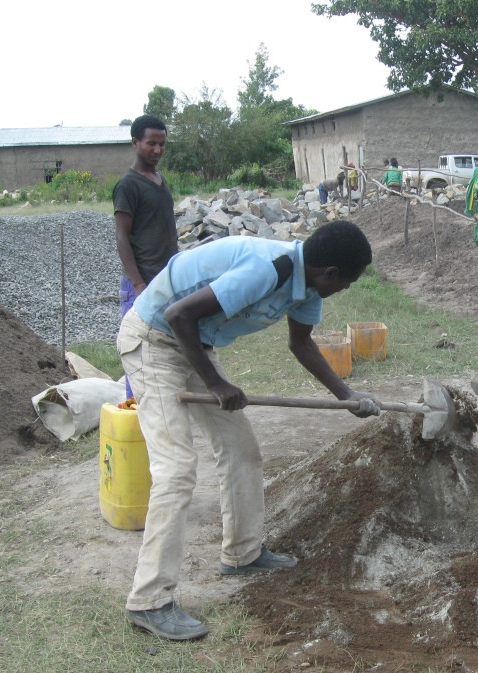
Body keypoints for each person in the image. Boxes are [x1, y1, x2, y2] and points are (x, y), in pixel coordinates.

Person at [117, 221, 381, 641]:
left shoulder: (308, 287)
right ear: (329, 272)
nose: (345, 290)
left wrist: (346, 397)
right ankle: (150, 601)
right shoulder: (268, 268)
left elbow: (303, 344)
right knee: (177, 470)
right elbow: (177, 314)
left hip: (194, 344)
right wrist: (217, 384)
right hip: (154, 340)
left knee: (241, 450)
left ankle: (243, 553)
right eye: (347, 282)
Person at [113, 115, 177, 398]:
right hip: (141, 284)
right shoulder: (128, 185)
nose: (157, 150)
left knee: (164, 351)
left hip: (164, 281)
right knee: (137, 354)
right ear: (135, 143)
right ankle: (136, 416)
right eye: (151, 143)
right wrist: (138, 284)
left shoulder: (159, 180)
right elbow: (122, 237)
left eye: (162, 144)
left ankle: (161, 413)